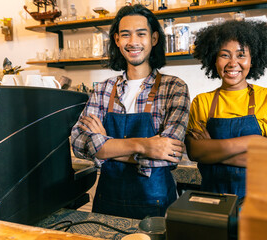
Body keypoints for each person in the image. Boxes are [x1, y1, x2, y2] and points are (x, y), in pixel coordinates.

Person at [71, 4, 190, 219]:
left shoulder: (174, 87)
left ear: (153, 39)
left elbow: (169, 154)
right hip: (107, 204)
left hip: (157, 207)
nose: (133, 42)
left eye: (141, 34)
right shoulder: (103, 88)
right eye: (125, 35)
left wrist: (106, 146)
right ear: (117, 40)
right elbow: (79, 142)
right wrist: (144, 145)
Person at [186, 20, 267, 202]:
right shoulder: (202, 101)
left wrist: (213, 153)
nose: (233, 63)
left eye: (241, 55)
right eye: (224, 55)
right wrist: (254, 141)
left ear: (252, 60)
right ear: (214, 59)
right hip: (213, 201)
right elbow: (194, 151)